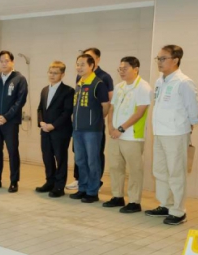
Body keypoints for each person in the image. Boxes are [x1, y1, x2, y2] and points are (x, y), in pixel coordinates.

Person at [146, 45, 198, 225]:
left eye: (163, 58)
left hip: (176, 133)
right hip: (160, 132)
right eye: (158, 59)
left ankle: (178, 211)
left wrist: (188, 125)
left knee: (176, 173)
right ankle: (166, 204)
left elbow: (194, 109)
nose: (159, 62)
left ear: (175, 60)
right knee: (160, 171)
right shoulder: (159, 81)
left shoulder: (184, 82)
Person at [104, 57, 152, 213]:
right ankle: (117, 196)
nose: (122, 72)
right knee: (115, 166)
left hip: (132, 136)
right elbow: (112, 108)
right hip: (115, 135)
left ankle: (134, 201)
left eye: (125, 68)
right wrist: (110, 126)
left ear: (135, 69)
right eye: (120, 69)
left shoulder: (143, 87)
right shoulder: (119, 87)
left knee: (134, 169)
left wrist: (121, 129)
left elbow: (140, 112)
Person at [67, 47, 114, 191]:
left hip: (92, 130)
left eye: (82, 64)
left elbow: (106, 105)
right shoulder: (80, 82)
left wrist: (97, 119)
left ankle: (92, 191)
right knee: (80, 160)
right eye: (77, 64)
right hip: (78, 129)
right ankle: (82, 188)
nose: (79, 67)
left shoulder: (99, 83)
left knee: (92, 161)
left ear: (92, 65)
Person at [0, 51, 28, 193]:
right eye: (1, 61)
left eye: (7, 60)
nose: (4, 63)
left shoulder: (19, 79)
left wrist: (7, 116)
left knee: (12, 151)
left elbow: (20, 101)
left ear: (12, 62)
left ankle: (14, 181)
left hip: (11, 122)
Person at [35, 61, 74, 198]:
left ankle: (59, 186)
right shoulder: (45, 89)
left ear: (62, 74)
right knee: (47, 157)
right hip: (45, 129)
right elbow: (40, 108)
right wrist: (41, 122)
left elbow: (67, 112)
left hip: (60, 131)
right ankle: (49, 182)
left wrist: (53, 125)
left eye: (55, 73)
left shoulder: (68, 91)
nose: (52, 75)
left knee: (60, 158)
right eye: (50, 72)